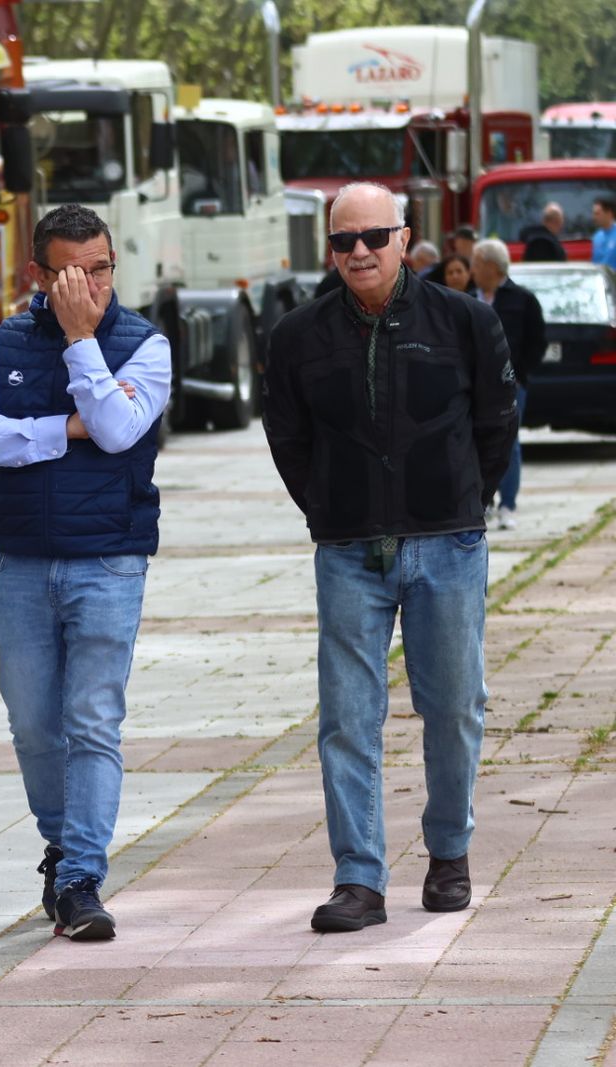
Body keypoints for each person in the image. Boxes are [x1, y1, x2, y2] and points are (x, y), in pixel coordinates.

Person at [263, 182, 517, 934]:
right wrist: (330, 507)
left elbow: (496, 424)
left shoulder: (464, 321)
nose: (361, 252)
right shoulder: (296, 337)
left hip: (447, 543)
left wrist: (460, 500)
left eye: (375, 236)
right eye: (345, 241)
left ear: (406, 238)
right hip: (348, 551)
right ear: (330, 250)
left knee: (454, 706)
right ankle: (359, 879)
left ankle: (449, 853)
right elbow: (289, 439)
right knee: (346, 716)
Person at [0, 204, 171, 942]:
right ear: (39, 274)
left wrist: (81, 343)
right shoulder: (6, 339)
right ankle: (61, 842)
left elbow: (116, 429)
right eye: (73, 272)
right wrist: (57, 431)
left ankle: (80, 875)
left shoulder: (145, 345)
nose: (91, 285)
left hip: (109, 560)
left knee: (92, 721)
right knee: (33, 723)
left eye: (101, 269)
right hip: (20, 560)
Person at [471, 238, 546, 530]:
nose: (472, 269)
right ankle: (482, 502)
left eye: (477, 264)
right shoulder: (467, 297)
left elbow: (536, 341)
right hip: (473, 383)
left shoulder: (522, 299)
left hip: (510, 384)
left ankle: (508, 504)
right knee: (474, 441)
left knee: (508, 442)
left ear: (491, 266)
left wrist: (520, 372)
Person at [591, 196, 616, 269]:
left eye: (597, 214)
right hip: (601, 279)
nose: (594, 217)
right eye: (594, 214)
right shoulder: (597, 237)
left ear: (609, 213)